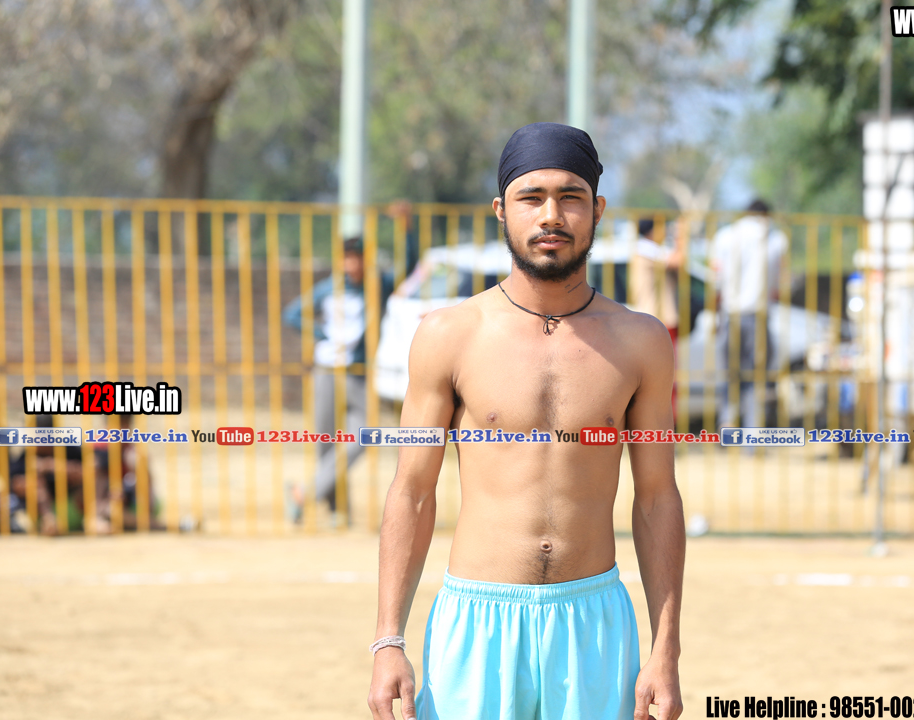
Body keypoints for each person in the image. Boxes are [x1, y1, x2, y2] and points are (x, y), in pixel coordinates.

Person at [367, 122, 685, 720]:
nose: (551, 216)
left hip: (593, 623)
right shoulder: (449, 334)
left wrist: (665, 650)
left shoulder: (640, 342)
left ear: (598, 210)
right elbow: (412, 491)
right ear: (501, 210)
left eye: (571, 197)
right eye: (531, 197)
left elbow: (657, 498)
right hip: (477, 622)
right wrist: (388, 640)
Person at [283, 236, 371, 522]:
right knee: (327, 441)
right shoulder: (328, 289)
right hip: (326, 370)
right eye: (348, 258)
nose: (353, 263)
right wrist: (322, 334)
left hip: (357, 371)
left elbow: (408, 268)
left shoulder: (374, 286)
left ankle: (304, 493)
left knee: (364, 434)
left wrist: (407, 230)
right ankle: (337, 509)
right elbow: (293, 314)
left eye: (357, 257)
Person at [709, 199, 787, 430]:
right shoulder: (776, 240)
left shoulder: (725, 236)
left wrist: (716, 316)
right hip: (759, 315)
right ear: (766, 215)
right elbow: (779, 285)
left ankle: (727, 422)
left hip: (730, 314)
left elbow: (716, 282)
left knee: (729, 374)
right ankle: (752, 435)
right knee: (755, 378)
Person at [629, 217, 685, 414]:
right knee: (665, 374)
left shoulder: (645, 250)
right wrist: (682, 235)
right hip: (659, 320)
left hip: (650, 319)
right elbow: (678, 260)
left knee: (654, 374)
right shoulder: (647, 249)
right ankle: (665, 420)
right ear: (652, 231)